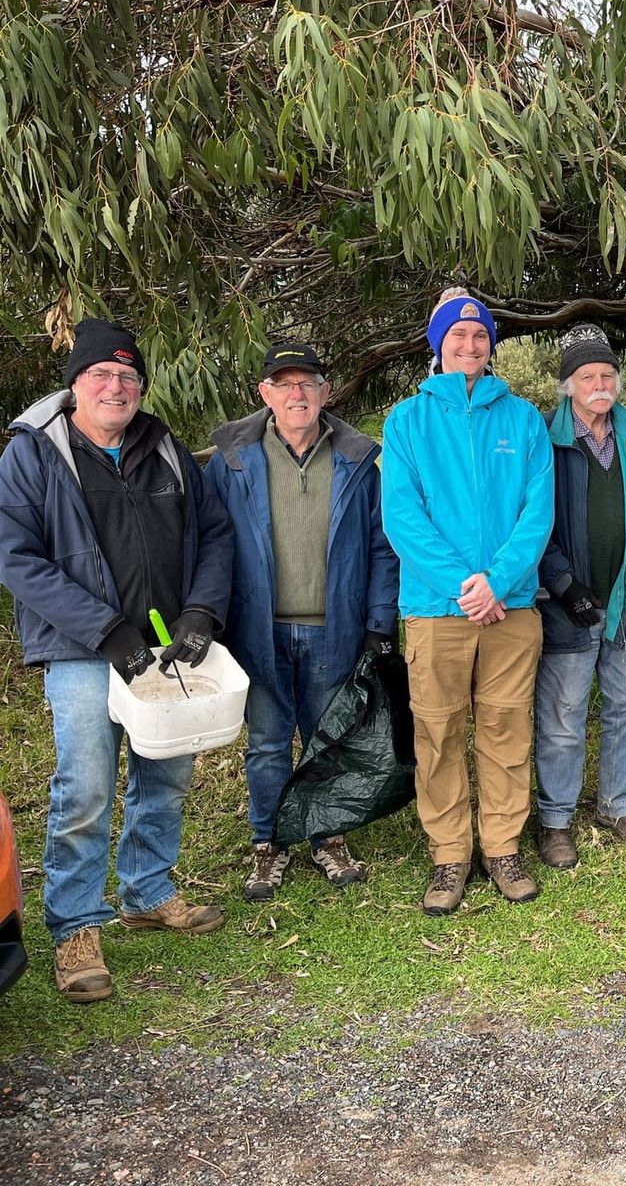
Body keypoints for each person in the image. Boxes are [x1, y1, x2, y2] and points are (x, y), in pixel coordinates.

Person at [0, 317, 233, 1003]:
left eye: (129, 377)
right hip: (81, 649)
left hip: (165, 647)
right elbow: (16, 557)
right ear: (75, 383)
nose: (117, 386)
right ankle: (75, 926)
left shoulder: (164, 447)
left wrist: (202, 611)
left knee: (167, 771)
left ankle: (147, 889)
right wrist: (105, 631)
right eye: (102, 373)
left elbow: (214, 535)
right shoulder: (33, 454)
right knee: (87, 786)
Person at [206, 341, 401, 899]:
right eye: (284, 384)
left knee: (327, 738)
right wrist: (212, 620)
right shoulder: (232, 461)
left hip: (333, 626)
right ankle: (268, 844)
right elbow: (212, 545)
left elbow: (383, 548)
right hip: (257, 629)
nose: (297, 394)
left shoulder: (359, 461)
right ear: (264, 394)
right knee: (268, 741)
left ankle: (326, 836)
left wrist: (379, 621)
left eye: (307, 383)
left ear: (325, 392)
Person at [382, 289, 555, 915]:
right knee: (438, 731)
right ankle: (449, 854)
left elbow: (538, 514)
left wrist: (499, 582)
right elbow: (403, 518)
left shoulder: (523, 420)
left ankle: (503, 846)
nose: (469, 345)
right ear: (437, 344)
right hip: (435, 608)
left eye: (479, 335)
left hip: (510, 609)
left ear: (490, 344)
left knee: (508, 729)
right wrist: (466, 584)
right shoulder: (406, 421)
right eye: (456, 336)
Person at [534, 324, 626, 870]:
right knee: (565, 713)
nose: (600, 383)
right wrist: (565, 585)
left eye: (608, 374)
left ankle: (618, 805)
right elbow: (534, 519)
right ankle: (556, 820)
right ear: (568, 384)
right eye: (588, 375)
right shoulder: (544, 439)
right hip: (564, 603)